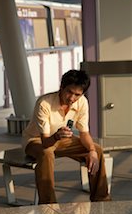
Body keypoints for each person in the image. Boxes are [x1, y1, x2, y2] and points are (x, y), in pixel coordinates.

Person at [22, 69, 111, 204]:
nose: (72, 98)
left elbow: (84, 133)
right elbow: (46, 142)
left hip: (62, 139)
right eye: (69, 92)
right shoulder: (44, 103)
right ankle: (48, 205)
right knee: (46, 153)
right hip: (37, 140)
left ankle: (102, 200)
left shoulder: (82, 103)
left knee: (97, 150)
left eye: (77, 94)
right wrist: (57, 136)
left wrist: (91, 151)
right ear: (61, 87)